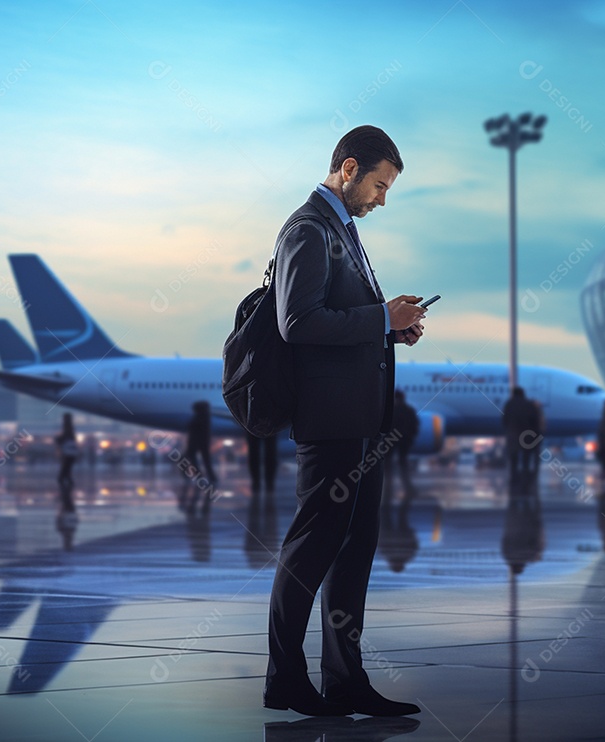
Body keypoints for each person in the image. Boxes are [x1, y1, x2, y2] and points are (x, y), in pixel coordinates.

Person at [264, 126, 425, 718]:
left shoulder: (342, 232)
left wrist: (391, 328)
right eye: (379, 186)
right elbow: (298, 322)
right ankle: (285, 678)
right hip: (330, 422)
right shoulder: (308, 229)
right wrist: (380, 318)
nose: (382, 199)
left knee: (353, 551)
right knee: (311, 549)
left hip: (361, 422)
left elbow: (341, 317)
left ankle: (345, 678)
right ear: (349, 168)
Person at [386, 390, 419, 503]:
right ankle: (408, 487)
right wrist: (409, 438)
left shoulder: (392, 410)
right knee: (403, 464)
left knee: (388, 465)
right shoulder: (409, 410)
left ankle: (387, 488)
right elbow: (415, 425)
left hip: (391, 440)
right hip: (404, 441)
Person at [184, 400, 216, 514]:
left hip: (196, 443)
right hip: (202, 443)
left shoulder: (199, 418)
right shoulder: (206, 417)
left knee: (191, 459)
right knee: (206, 460)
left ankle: (199, 475)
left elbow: (191, 427)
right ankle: (210, 476)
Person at [502, 387, 539, 479]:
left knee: (513, 456)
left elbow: (505, 419)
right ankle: (525, 475)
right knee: (526, 457)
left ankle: (514, 475)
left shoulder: (509, 404)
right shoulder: (528, 404)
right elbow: (534, 419)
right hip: (526, 433)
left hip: (513, 433)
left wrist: (509, 429)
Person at [54, 413, 78, 512]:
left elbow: (65, 437)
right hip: (70, 453)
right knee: (67, 469)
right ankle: (67, 485)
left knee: (65, 470)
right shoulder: (70, 428)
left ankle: (65, 489)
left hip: (68, 453)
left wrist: (58, 440)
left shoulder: (67, 427)